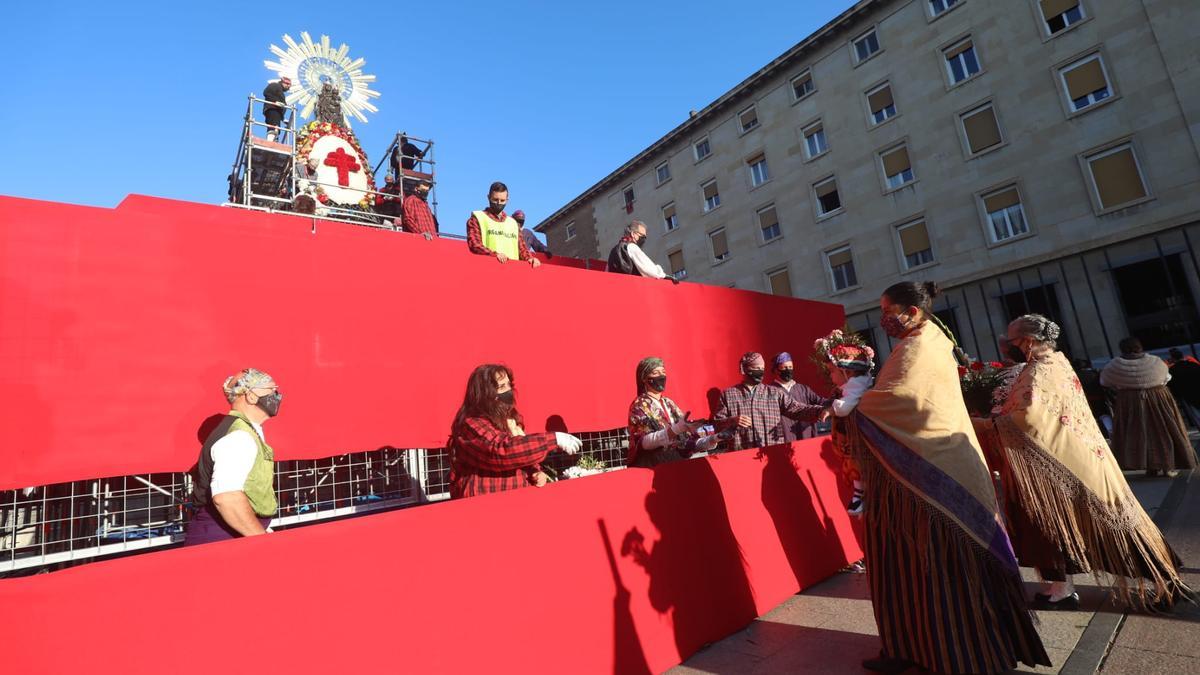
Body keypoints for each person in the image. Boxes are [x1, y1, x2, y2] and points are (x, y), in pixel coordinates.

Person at [846, 282, 1048, 674]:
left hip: (923, 475)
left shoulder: (917, 347)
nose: (884, 318)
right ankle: (914, 647)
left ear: (912, 311)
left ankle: (943, 651)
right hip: (938, 464)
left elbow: (898, 400)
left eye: (889, 309)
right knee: (912, 564)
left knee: (922, 563)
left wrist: (848, 410)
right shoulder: (936, 338)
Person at [975, 315, 1190, 612]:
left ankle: (1164, 579)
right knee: (1065, 528)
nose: (1007, 348)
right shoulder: (1056, 362)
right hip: (1074, 456)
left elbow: (1028, 417)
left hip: (1061, 463)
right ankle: (1063, 589)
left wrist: (987, 425)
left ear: (1028, 341)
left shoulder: (1040, 371)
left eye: (1011, 342)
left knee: (1105, 527)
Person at [447, 364, 582, 498]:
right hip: (483, 504)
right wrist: (552, 439)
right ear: (485, 394)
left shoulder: (509, 421)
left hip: (514, 501)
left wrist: (535, 471)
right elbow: (500, 451)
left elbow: (520, 456)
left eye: (509, 384)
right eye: (501, 387)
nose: (509, 390)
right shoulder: (471, 424)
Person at [186, 368, 283, 545]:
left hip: (232, 533)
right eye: (272, 390)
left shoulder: (246, 430)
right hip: (222, 539)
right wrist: (262, 539)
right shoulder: (239, 437)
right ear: (251, 396)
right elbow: (227, 497)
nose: (278, 395)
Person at [1100, 337, 1195, 476]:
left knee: (1138, 434)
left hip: (1130, 401)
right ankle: (1168, 466)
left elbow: (1104, 381)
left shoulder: (1114, 365)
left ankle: (1150, 466)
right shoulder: (1155, 361)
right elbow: (1166, 377)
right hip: (1158, 397)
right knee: (1163, 430)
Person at [715, 352, 825, 451]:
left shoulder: (773, 392)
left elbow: (797, 409)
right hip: (741, 452)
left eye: (762, 368)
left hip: (772, 453)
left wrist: (823, 410)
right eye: (756, 368)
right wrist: (732, 421)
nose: (760, 372)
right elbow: (717, 425)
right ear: (745, 369)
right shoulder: (729, 395)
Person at [626, 357, 720, 467]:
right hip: (652, 467)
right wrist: (675, 430)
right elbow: (644, 443)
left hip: (675, 465)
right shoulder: (639, 405)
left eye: (663, 372)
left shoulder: (669, 403)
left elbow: (684, 441)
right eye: (655, 373)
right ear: (644, 378)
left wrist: (714, 439)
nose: (661, 376)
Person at [823, 346, 873, 516]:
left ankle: (861, 495)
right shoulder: (852, 385)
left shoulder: (856, 386)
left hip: (860, 440)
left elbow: (844, 408)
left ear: (847, 372)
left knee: (857, 464)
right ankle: (860, 494)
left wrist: (831, 409)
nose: (830, 376)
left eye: (832, 371)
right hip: (855, 441)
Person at [466, 182, 540, 267]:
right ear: (488, 197)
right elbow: (475, 245)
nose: (498, 203)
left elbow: (522, 249)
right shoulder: (477, 218)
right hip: (487, 269)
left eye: (502, 200)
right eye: (495, 199)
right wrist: (494, 255)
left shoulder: (513, 223)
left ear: (507, 200)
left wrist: (530, 258)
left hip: (513, 272)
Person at [770, 352, 830, 442]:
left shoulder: (803, 389)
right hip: (784, 437)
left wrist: (836, 403)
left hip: (806, 434)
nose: (788, 370)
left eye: (790, 367)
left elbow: (820, 401)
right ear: (776, 369)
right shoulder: (771, 391)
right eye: (785, 367)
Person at [607, 221, 678, 284]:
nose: (644, 239)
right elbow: (647, 268)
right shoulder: (631, 246)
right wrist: (663, 275)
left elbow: (607, 272)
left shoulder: (613, 251)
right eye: (642, 236)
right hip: (633, 287)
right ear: (633, 234)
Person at [1166, 348, 1200, 430]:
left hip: (1187, 397)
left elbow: (1171, 386)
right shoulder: (1194, 365)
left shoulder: (1172, 371)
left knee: (1197, 417)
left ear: (1172, 358)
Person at [262, 77, 291, 142]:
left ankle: (273, 141)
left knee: (276, 128)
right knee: (273, 127)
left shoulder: (280, 91)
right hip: (272, 109)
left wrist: (283, 119)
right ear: (282, 82)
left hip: (276, 112)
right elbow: (266, 92)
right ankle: (269, 142)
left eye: (289, 85)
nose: (288, 86)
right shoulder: (275, 85)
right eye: (287, 84)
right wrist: (275, 102)